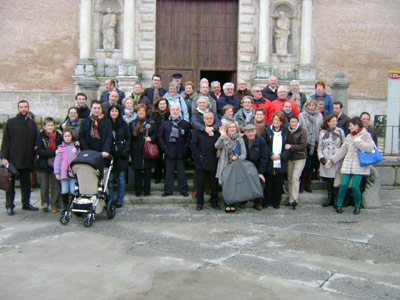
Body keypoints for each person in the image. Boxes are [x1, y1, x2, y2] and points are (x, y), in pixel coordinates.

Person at [325, 117, 375, 215]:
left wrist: (359, 142)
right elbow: (342, 151)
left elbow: (370, 148)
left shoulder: (365, 135)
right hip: (348, 164)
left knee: (355, 186)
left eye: (350, 125)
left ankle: (357, 205)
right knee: (343, 185)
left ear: (356, 125)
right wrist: (332, 160)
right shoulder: (349, 136)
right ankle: (339, 204)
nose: (349, 127)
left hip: (359, 165)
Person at [1, 100, 39, 215]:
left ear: (28, 108)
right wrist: (4, 157)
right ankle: (9, 206)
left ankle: (26, 203)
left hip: (27, 158)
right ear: (18, 109)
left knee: (26, 183)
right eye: (21, 107)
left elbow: (35, 141)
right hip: (13, 158)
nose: (24, 109)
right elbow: (5, 141)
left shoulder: (32, 124)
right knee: (10, 185)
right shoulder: (11, 123)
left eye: (26, 107)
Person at [190, 112, 221, 211]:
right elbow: (193, 145)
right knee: (200, 184)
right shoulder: (198, 131)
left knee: (214, 184)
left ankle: (215, 202)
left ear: (213, 119)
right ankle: (200, 203)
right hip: (201, 161)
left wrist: (219, 151)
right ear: (203, 120)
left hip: (214, 161)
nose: (209, 120)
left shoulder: (217, 131)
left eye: (211, 118)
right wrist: (198, 156)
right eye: (207, 118)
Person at [158, 105, 191, 197]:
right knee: (169, 172)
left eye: (177, 110)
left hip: (181, 152)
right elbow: (160, 137)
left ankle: (183, 190)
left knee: (182, 172)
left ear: (180, 111)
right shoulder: (165, 124)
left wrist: (185, 148)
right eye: (173, 109)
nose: (175, 111)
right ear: (170, 111)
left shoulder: (184, 123)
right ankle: (168, 190)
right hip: (169, 151)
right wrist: (164, 148)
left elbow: (188, 137)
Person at [262, 111, 292, 209]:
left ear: (282, 122)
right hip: (269, 161)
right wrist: (270, 155)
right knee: (268, 183)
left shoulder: (286, 132)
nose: (276, 122)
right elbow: (264, 145)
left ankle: (276, 203)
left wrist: (281, 156)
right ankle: (266, 202)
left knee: (278, 184)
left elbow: (288, 147)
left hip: (280, 162)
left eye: (278, 120)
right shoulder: (267, 131)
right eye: (274, 120)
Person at [215, 121, 246, 213]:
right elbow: (217, 146)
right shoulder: (224, 137)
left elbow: (244, 154)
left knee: (235, 186)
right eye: (230, 127)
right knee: (226, 186)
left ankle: (233, 204)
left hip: (236, 165)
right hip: (225, 165)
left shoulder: (240, 139)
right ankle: (227, 204)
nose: (232, 129)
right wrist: (222, 136)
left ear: (236, 128)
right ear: (227, 129)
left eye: (234, 127)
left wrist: (238, 157)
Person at [35, 117, 63, 213]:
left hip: (55, 164)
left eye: (52, 125)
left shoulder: (58, 136)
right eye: (48, 125)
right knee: (44, 185)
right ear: (44, 126)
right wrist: (53, 152)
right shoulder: (41, 136)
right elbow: (39, 151)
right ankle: (45, 203)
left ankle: (54, 204)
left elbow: (61, 148)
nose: (50, 127)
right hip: (43, 164)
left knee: (55, 185)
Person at [130, 104, 158, 197]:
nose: (141, 112)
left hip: (147, 148)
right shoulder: (132, 123)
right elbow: (130, 137)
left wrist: (151, 138)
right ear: (136, 112)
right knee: (137, 171)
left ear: (145, 112)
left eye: (143, 111)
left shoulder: (151, 122)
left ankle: (147, 190)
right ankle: (138, 190)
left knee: (147, 171)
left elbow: (156, 134)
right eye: (139, 111)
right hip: (136, 148)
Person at [318, 114, 345, 207]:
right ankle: (329, 199)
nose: (335, 123)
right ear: (328, 123)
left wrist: (339, 157)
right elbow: (320, 147)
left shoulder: (340, 132)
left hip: (337, 158)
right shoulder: (323, 133)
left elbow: (344, 146)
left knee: (336, 179)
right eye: (333, 121)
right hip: (327, 159)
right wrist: (321, 158)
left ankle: (336, 199)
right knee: (329, 180)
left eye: (336, 121)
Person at [108, 105, 131, 207]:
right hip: (110, 153)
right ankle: (111, 198)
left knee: (121, 178)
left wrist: (125, 150)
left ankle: (120, 199)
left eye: (115, 111)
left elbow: (128, 138)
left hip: (121, 153)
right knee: (110, 178)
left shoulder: (123, 123)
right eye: (112, 111)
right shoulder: (106, 123)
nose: (114, 113)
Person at [299, 99, 323, 193]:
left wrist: (317, 141)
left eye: (313, 105)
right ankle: (302, 184)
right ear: (306, 106)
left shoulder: (319, 116)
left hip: (315, 145)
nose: (311, 107)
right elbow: (300, 128)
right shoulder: (302, 116)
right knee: (305, 165)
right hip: (305, 144)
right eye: (310, 105)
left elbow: (321, 129)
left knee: (312, 165)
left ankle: (308, 184)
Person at [242, 124, 267, 211]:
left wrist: (260, 172)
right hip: (245, 167)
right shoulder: (242, 141)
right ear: (244, 132)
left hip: (257, 167)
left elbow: (264, 158)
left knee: (260, 181)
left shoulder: (261, 141)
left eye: (252, 131)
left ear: (255, 131)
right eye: (248, 132)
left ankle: (257, 202)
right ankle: (243, 200)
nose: (250, 133)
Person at [53, 130, 80, 210]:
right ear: (63, 137)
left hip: (72, 173)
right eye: (65, 136)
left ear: (72, 137)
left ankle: (72, 206)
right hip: (63, 173)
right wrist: (57, 172)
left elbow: (79, 158)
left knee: (73, 190)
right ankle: (65, 206)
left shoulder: (75, 148)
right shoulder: (60, 148)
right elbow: (57, 162)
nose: (67, 138)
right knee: (64, 190)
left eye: (69, 136)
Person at [285, 115, 307, 209]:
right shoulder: (287, 131)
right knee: (290, 179)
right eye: (292, 122)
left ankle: (294, 200)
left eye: (295, 122)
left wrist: (291, 147)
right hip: (290, 158)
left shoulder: (302, 131)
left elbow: (303, 145)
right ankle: (290, 199)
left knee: (295, 178)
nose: (294, 123)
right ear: (289, 123)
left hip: (300, 157)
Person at [151, 98, 170, 184]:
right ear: (158, 105)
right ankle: (157, 177)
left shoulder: (170, 114)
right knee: (158, 160)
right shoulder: (153, 115)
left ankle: (167, 176)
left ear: (167, 105)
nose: (162, 106)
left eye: (164, 104)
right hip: (157, 140)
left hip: (168, 140)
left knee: (167, 159)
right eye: (161, 104)